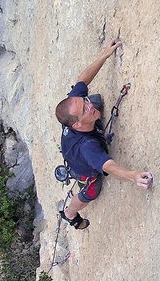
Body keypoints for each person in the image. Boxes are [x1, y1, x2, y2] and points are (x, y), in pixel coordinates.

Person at [55, 39, 153, 229]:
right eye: (84, 110)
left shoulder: (74, 107)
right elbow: (110, 166)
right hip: (83, 165)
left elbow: (82, 80)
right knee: (92, 191)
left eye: (84, 102)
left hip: (77, 139)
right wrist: (133, 176)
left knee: (97, 100)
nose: (88, 105)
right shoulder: (87, 147)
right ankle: (69, 213)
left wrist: (105, 55)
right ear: (76, 124)